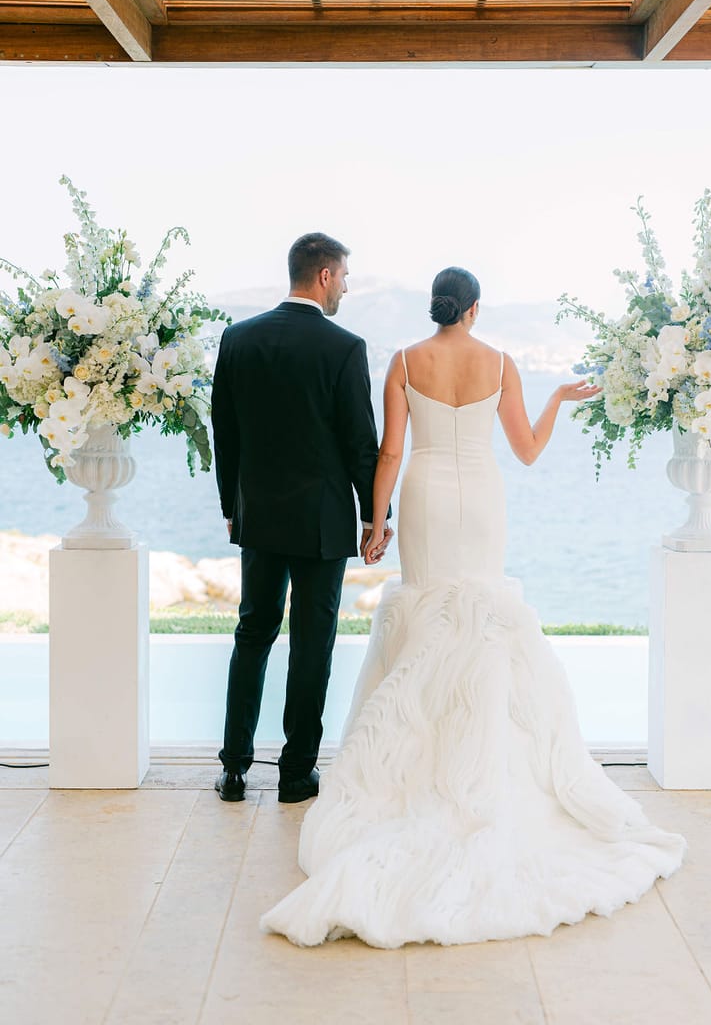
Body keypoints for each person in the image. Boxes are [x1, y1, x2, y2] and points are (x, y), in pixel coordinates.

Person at [260, 266, 686, 948]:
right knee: (481, 618)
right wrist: (555, 400)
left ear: (436, 307)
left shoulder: (405, 361)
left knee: (427, 611)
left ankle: (420, 766)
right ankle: (482, 763)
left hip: (426, 494)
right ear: (475, 309)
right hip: (482, 497)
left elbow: (391, 451)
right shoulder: (502, 363)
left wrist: (376, 520)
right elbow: (527, 451)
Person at [210, 232, 391, 806]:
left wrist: (232, 507)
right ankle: (295, 775)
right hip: (322, 522)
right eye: (344, 278)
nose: (345, 289)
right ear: (324, 276)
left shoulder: (239, 338)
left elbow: (225, 434)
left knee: (253, 633)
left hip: (260, 517)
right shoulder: (345, 347)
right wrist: (375, 516)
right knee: (313, 645)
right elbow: (361, 444)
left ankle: (234, 770)